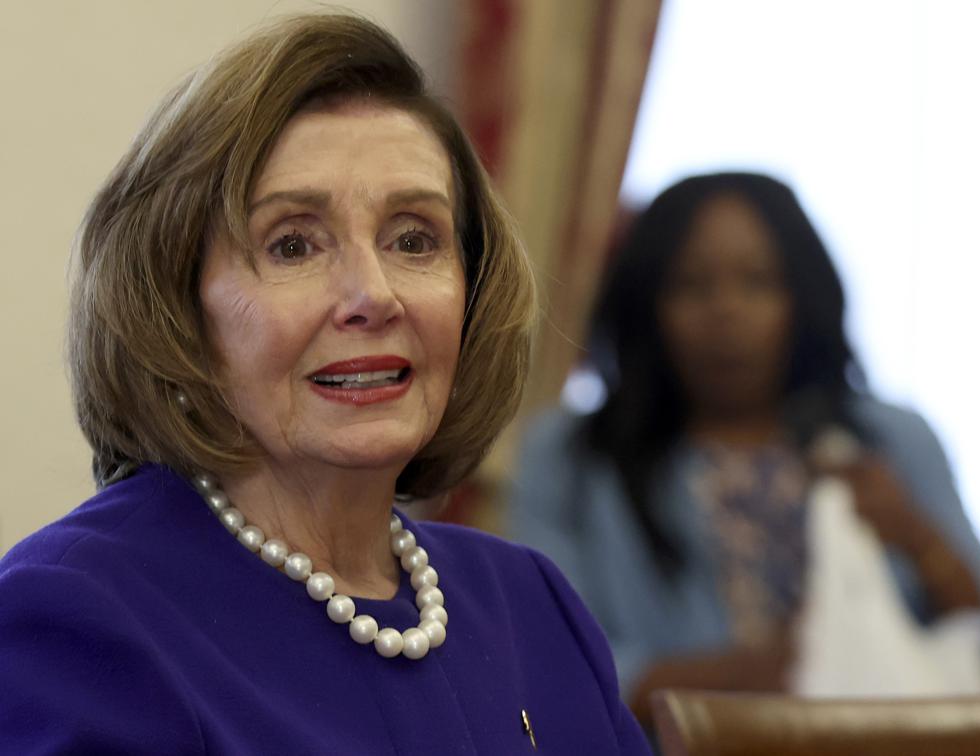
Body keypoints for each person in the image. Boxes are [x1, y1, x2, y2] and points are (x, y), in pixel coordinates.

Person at [0, 14, 651, 754]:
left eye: (413, 239)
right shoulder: (79, 617)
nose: (373, 294)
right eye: (293, 244)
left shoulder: (532, 606)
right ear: (179, 310)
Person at [511, 171, 980, 726]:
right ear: (647, 305)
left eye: (759, 282)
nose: (728, 311)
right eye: (691, 285)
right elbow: (554, 661)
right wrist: (764, 671)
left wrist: (915, 536)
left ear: (802, 296)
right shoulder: (571, 457)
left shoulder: (890, 440)